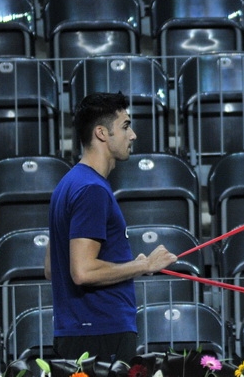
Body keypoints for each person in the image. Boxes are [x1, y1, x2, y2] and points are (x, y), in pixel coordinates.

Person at [44, 92, 177, 363]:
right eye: (126, 126)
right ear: (102, 133)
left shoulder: (68, 184)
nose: (133, 135)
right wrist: (144, 265)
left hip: (78, 332)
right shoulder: (91, 190)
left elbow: (51, 268)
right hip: (101, 335)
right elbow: (82, 271)